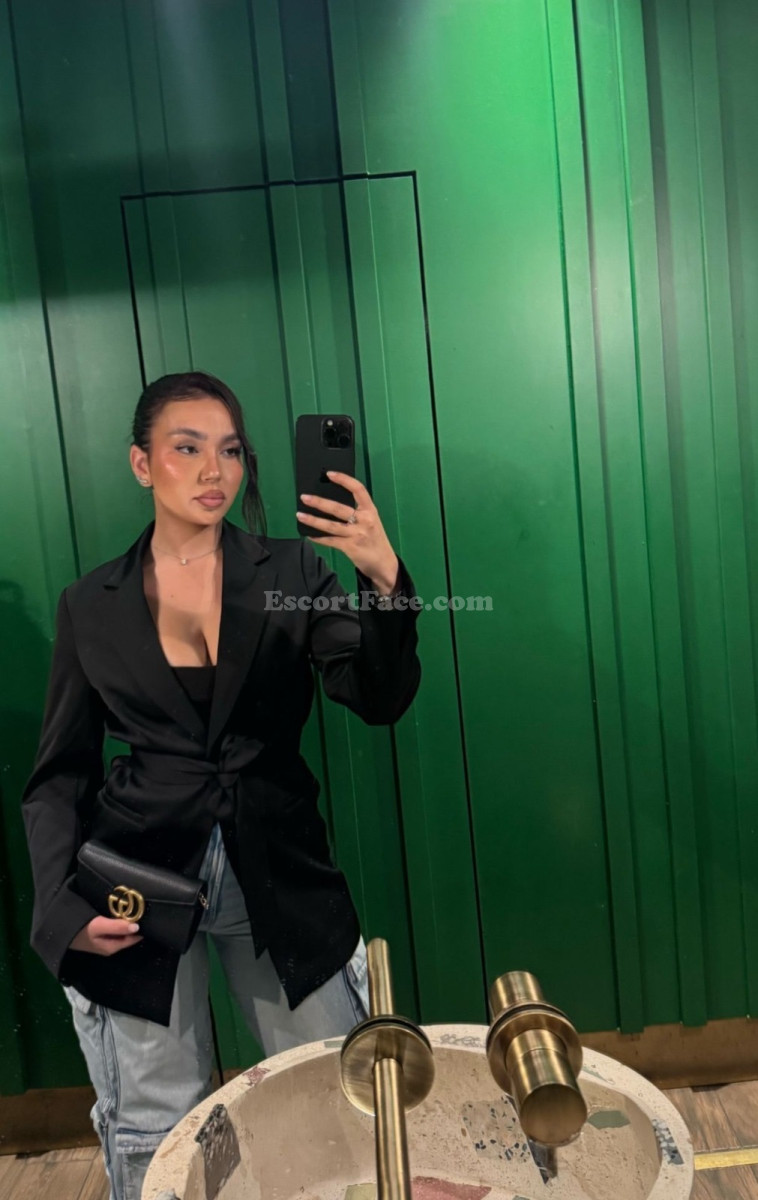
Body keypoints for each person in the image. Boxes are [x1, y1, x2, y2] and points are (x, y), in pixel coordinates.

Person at [21, 371, 421, 1200]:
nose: (214, 471)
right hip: (136, 878)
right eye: (188, 448)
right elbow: (59, 774)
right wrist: (59, 909)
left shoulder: (292, 570)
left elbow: (376, 697)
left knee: (330, 1096)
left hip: (278, 867)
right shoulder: (89, 604)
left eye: (231, 451)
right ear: (142, 463)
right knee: (154, 1123)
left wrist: (384, 583)